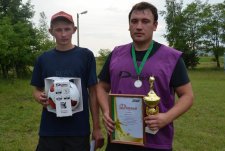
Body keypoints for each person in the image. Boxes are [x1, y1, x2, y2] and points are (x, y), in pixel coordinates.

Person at [97, 2, 194, 151]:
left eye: (145, 21)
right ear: (129, 25)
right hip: (119, 138)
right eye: (134, 21)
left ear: (155, 26)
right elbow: (101, 87)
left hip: (156, 141)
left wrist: (166, 118)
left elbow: (187, 96)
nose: (139, 26)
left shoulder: (171, 57)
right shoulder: (116, 54)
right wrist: (106, 111)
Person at [31, 11, 104, 151]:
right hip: (50, 129)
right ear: (51, 31)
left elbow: (93, 93)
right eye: (58, 30)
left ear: (74, 30)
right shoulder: (43, 59)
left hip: (78, 129)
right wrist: (39, 97)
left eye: (67, 29)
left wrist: (96, 127)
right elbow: (37, 90)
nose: (63, 34)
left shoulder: (86, 56)